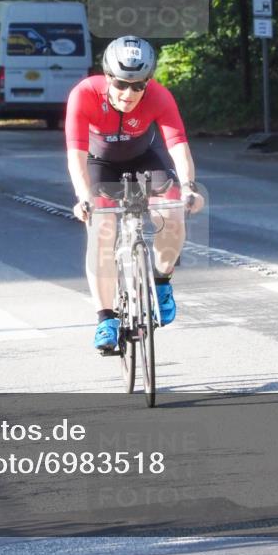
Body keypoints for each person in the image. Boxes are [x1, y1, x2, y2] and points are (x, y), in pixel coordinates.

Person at [64, 35, 205, 351]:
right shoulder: (84, 94)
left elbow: (178, 145)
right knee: (101, 230)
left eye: (139, 85)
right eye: (122, 84)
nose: (129, 93)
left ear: (148, 82)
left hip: (144, 158)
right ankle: (106, 318)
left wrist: (190, 187)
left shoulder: (160, 96)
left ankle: (162, 281)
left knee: (173, 215)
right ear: (108, 77)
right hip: (100, 163)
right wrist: (83, 197)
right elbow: (76, 154)